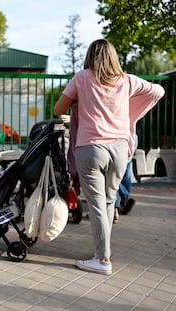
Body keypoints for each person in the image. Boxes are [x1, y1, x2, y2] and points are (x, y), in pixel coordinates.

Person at [54, 39, 165, 275]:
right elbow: (159, 91)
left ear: (90, 56)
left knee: (96, 205)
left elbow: (57, 109)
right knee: (107, 203)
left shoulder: (82, 77)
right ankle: (102, 254)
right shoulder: (126, 80)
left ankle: (103, 259)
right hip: (119, 149)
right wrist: (130, 113)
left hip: (91, 149)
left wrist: (79, 101)